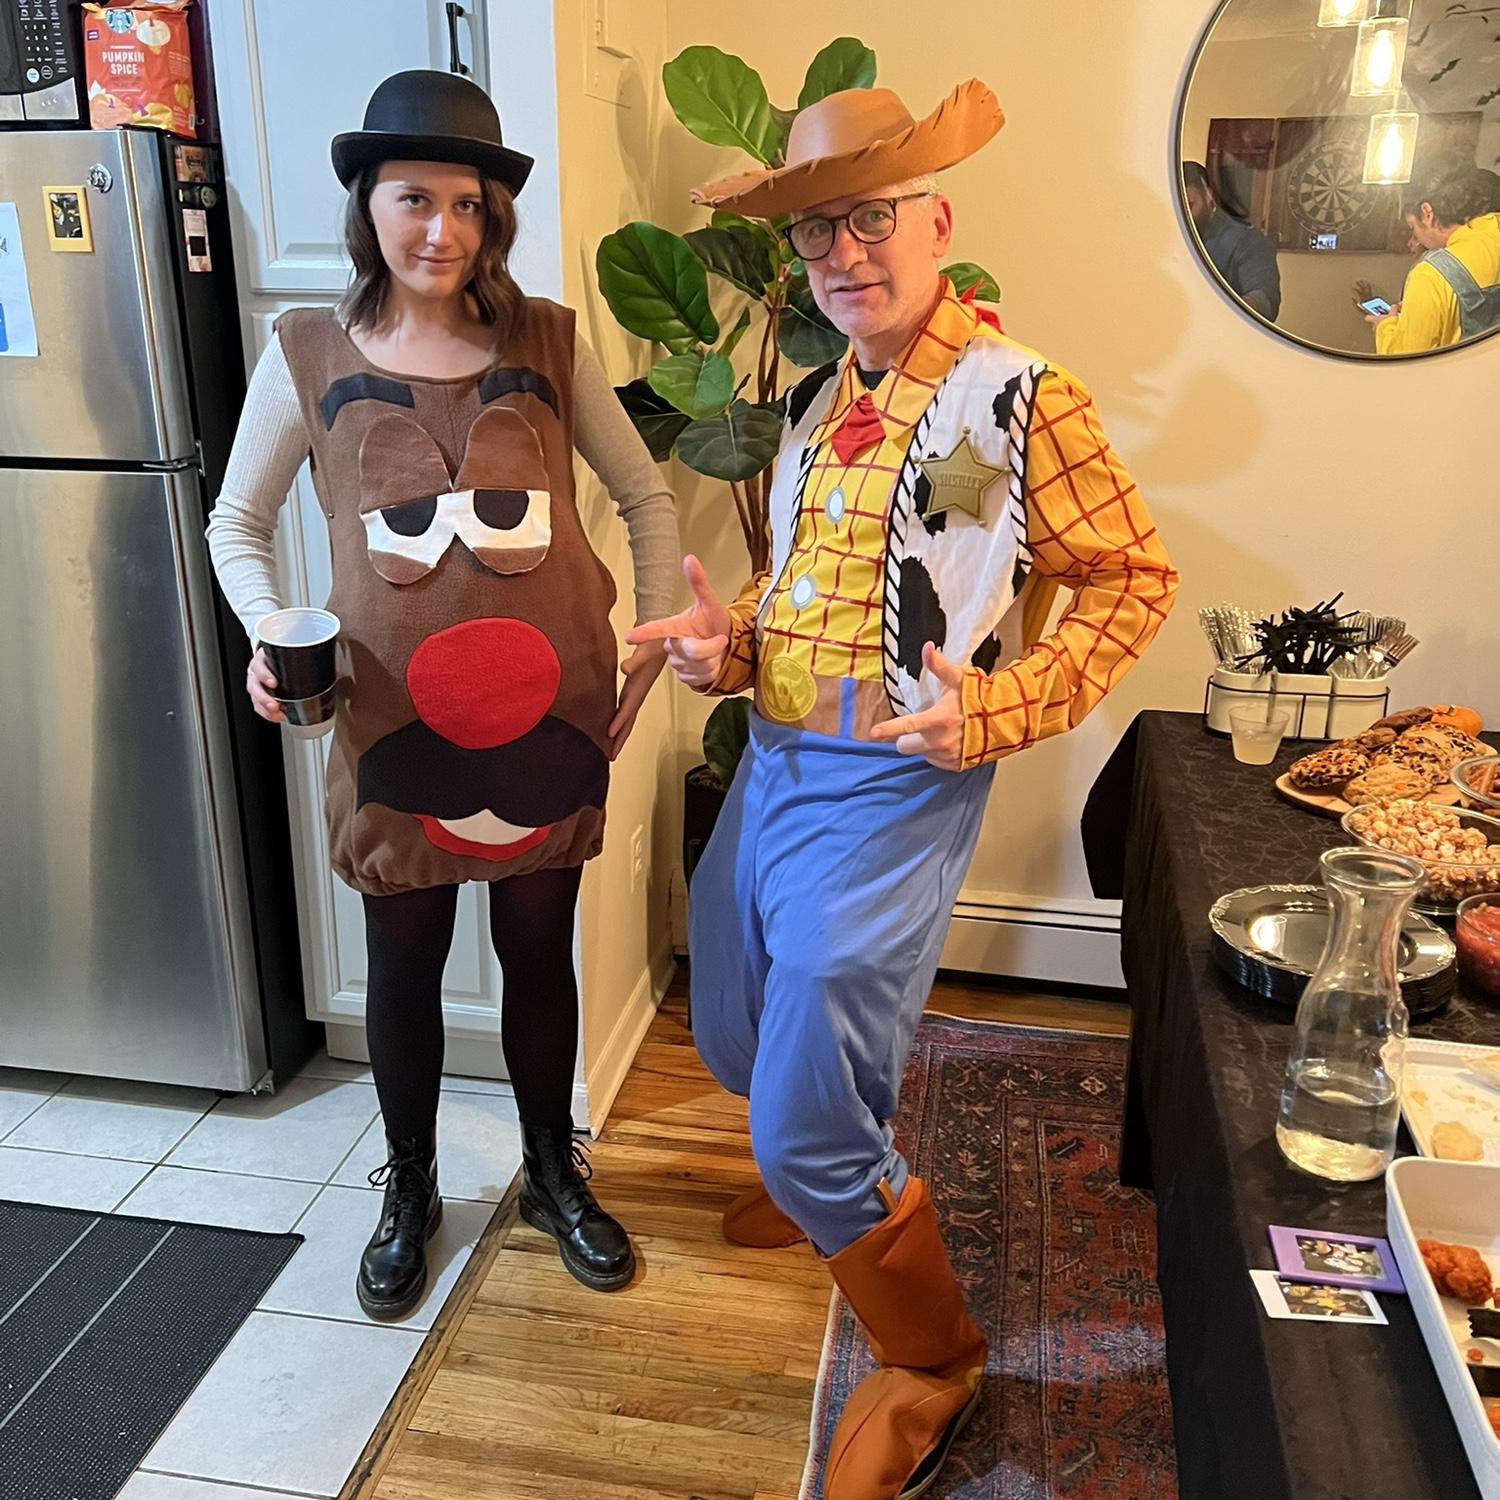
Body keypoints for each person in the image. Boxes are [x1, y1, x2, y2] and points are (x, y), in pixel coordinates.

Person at [629, 81, 1178, 1500]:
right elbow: (800, 595)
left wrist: (999, 706)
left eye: (869, 218)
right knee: (735, 1013)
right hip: (775, 759)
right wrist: (725, 647)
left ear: (937, 221)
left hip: (891, 777)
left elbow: (1132, 580)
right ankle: (818, 1169)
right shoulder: (821, 401)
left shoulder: (1019, 394)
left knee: (810, 1086)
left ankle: (931, 1356)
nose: (843, 254)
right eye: (816, 233)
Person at [206, 71, 679, 1316]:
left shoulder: (549, 343)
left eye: (468, 204)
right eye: (414, 198)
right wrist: (267, 634)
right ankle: (409, 1185)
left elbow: (645, 496)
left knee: (537, 950)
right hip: (391, 728)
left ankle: (550, 1174)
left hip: (552, 721)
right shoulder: (307, 353)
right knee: (404, 960)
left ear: (493, 217)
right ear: (367, 204)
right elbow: (236, 521)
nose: (442, 230)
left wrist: (650, 639)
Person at [1364, 159, 1500, 352]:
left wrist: (1385, 326)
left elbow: (1405, 359)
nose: (1415, 238)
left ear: (1427, 213)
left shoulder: (1431, 274)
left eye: (1412, 227)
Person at [1182, 160, 1282, 320]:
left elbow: (1264, 299)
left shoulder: (1248, 241)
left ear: (1208, 195)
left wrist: (1222, 312)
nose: (1183, 215)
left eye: (1189, 205)